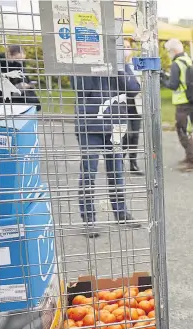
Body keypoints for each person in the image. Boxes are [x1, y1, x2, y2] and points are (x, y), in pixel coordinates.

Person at [71, 60, 142, 237]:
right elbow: (81, 88)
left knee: (116, 172)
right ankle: (89, 220)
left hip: (116, 126)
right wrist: (91, 66)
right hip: (90, 127)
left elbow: (133, 88)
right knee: (89, 173)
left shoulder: (119, 63)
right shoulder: (79, 62)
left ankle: (121, 213)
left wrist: (117, 68)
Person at [161, 38, 193, 172]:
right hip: (192, 100)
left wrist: (162, 79)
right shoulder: (188, 60)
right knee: (187, 129)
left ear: (173, 50)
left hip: (183, 102)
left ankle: (192, 160)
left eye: (168, 51)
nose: (168, 54)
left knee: (183, 130)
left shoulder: (176, 63)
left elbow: (173, 85)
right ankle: (189, 156)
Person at [121, 38, 144, 176]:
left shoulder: (136, 64)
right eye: (124, 46)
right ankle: (120, 162)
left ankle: (133, 163)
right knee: (124, 134)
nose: (126, 49)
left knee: (134, 135)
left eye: (128, 46)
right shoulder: (117, 65)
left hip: (136, 103)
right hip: (122, 103)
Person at [0, 45, 41, 111]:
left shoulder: (19, 63)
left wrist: (26, 84)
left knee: (32, 100)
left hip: (18, 91)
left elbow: (23, 76)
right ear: (8, 54)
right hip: (5, 93)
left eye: (22, 60)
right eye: (17, 59)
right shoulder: (1, 63)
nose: (20, 62)